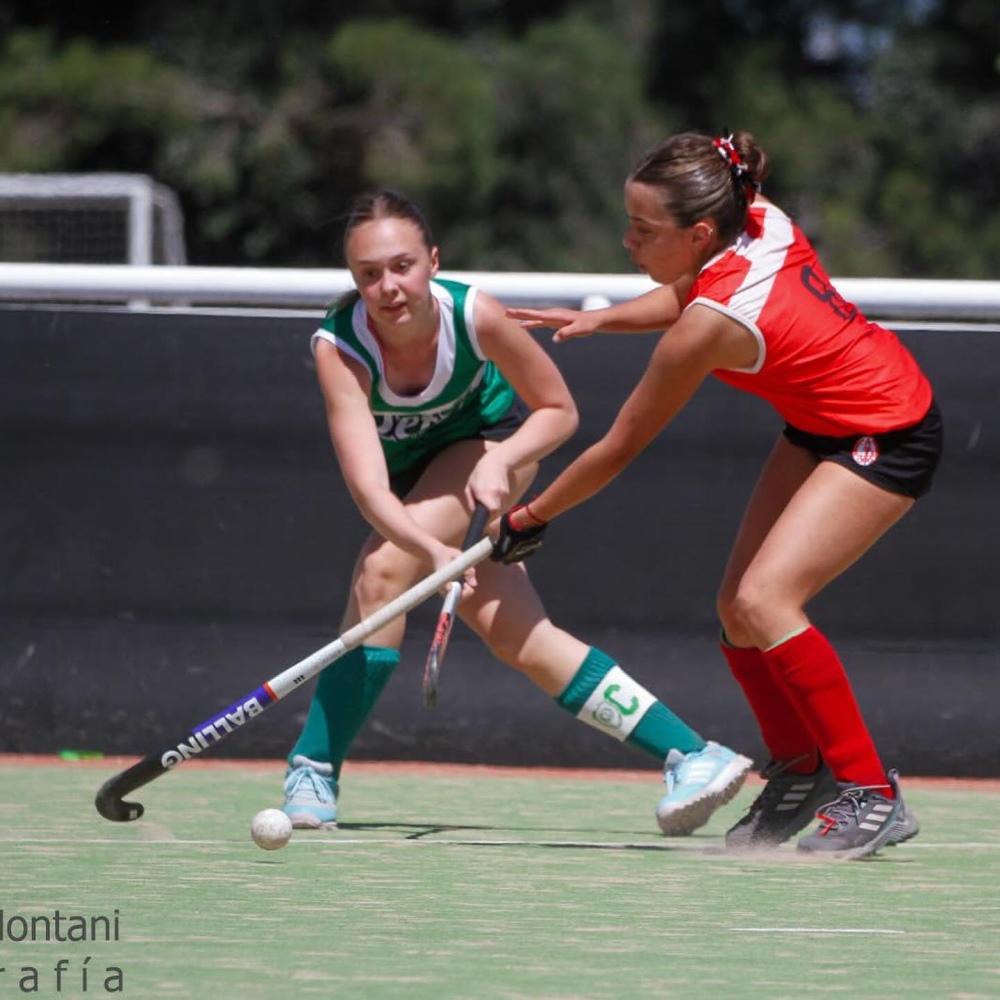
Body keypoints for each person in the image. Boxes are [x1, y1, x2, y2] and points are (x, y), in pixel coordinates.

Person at [498, 131, 942, 860]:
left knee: (767, 602)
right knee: (737, 613)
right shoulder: (755, 214)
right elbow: (691, 285)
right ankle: (801, 772)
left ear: (698, 231)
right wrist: (605, 316)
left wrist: (530, 517)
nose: (627, 241)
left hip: (888, 429)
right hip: (819, 422)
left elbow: (617, 449)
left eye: (644, 230)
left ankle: (871, 793)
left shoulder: (705, 331)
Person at [281, 189, 752, 835]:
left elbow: (559, 412)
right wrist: (437, 554)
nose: (388, 287)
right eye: (369, 274)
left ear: (432, 260)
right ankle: (693, 755)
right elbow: (370, 492)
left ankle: (313, 766)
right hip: (406, 489)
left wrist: (502, 463)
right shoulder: (341, 349)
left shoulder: (476, 315)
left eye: (402, 266)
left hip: (490, 451)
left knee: (382, 573)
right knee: (519, 636)